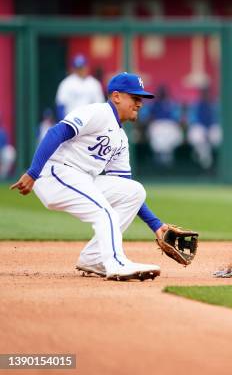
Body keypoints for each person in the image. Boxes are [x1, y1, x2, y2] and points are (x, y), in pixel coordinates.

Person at [11, 72, 169, 281]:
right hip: (56, 173)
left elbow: (124, 186)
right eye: (135, 97)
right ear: (116, 96)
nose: (139, 103)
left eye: (141, 99)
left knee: (134, 192)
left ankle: (94, 258)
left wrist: (156, 225)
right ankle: (116, 263)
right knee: (105, 213)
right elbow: (55, 132)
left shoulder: (121, 139)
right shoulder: (99, 112)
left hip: (82, 178)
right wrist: (33, 172)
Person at [140, 85, 183, 167]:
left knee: (174, 135)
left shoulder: (171, 104)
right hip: (157, 124)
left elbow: (177, 118)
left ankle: (167, 156)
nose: (163, 94)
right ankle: (159, 157)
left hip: (170, 125)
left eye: (164, 92)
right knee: (157, 135)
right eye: (161, 92)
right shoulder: (154, 104)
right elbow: (147, 118)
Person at [55, 54, 105, 119]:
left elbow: (100, 105)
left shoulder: (94, 83)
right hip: (71, 120)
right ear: (74, 69)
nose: (81, 70)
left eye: (82, 67)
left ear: (87, 67)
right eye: (78, 68)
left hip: (89, 122)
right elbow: (60, 105)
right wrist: (63, 122)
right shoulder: (66, 83)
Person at [186, 88, 222, 169]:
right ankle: (204, 162)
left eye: (208, 94)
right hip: (200, 129)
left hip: (213, 129)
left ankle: (219, 162)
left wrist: (208, 131)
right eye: (204, 94)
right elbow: (192, 121)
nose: (206, 96)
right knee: (198, 137)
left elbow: (217, 120)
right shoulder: (196, 105)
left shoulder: (214, 105)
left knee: (217, 136)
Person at [0, 114, 16, 179]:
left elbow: (4, 146)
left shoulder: (2, 132)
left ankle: (3, 175)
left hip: (1, 152)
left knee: (10, 151)